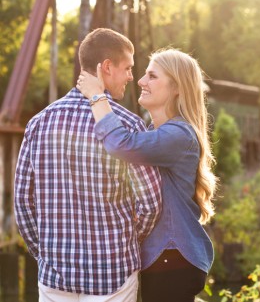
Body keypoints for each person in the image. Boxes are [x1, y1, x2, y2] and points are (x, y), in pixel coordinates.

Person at [14, 28, 162, 302]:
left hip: (55, 278)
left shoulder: (39, 123)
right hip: (112, 276)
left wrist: (45, 253)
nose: (132, 76)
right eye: (127, 67)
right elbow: (151, 202)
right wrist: (125, 245)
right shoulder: (128, 125)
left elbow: (23, 202)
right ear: (106, 67)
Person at [77, 47, 217, 302]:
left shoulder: (178, 135)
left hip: (172, 257)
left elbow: (121, 144)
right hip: (166, 259)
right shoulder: (158, 133)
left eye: (152, 76)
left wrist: (98, 97)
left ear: (177, 87)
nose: (141, 81)